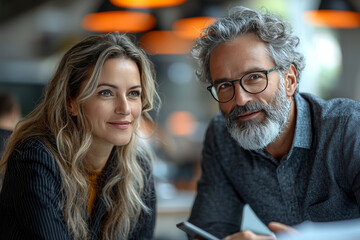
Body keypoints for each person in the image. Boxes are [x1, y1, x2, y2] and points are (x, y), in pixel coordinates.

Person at [188, 6, 360, 240]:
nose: (240, 99)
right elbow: (207, 231)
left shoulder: (349, 128)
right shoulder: (222, 136)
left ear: (289, 80)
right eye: (225, 85)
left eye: (255, 77)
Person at [0, 32, 160, 240]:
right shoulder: (35, 157)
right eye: (106, 93)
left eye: (133, 93)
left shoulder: (139, 167)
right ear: (71, 102)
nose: (125, 108)